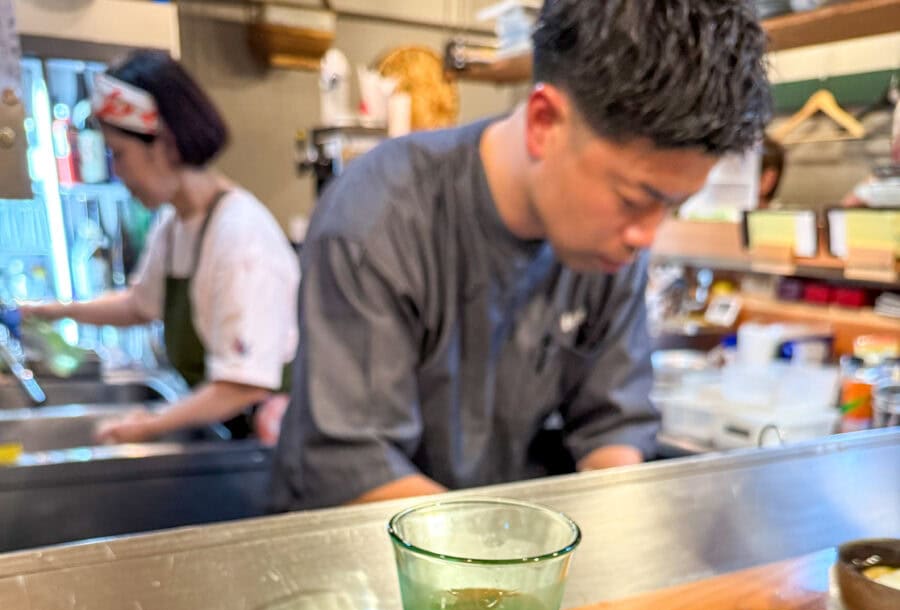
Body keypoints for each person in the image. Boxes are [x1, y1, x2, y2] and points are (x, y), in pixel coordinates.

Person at [271, 0, 771, 510]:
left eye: (673, 207)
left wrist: (609, 513)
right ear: (543, 121)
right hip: (361, 557)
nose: (647, 234)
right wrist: (519, 556)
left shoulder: (611, 244)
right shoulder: (379, 216)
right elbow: (356, 464)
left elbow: (612, 423)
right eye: (635, 200)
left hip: (510, 548)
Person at [23, 51, 299, 444]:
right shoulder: (175, 222)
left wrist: (147, 426)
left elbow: (242, 386)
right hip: (229, 441)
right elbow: (139, 305)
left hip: (268, 450)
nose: (117, 174)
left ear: (165, 144)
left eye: (119, 154)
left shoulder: (240, 236)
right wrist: (53, 311)